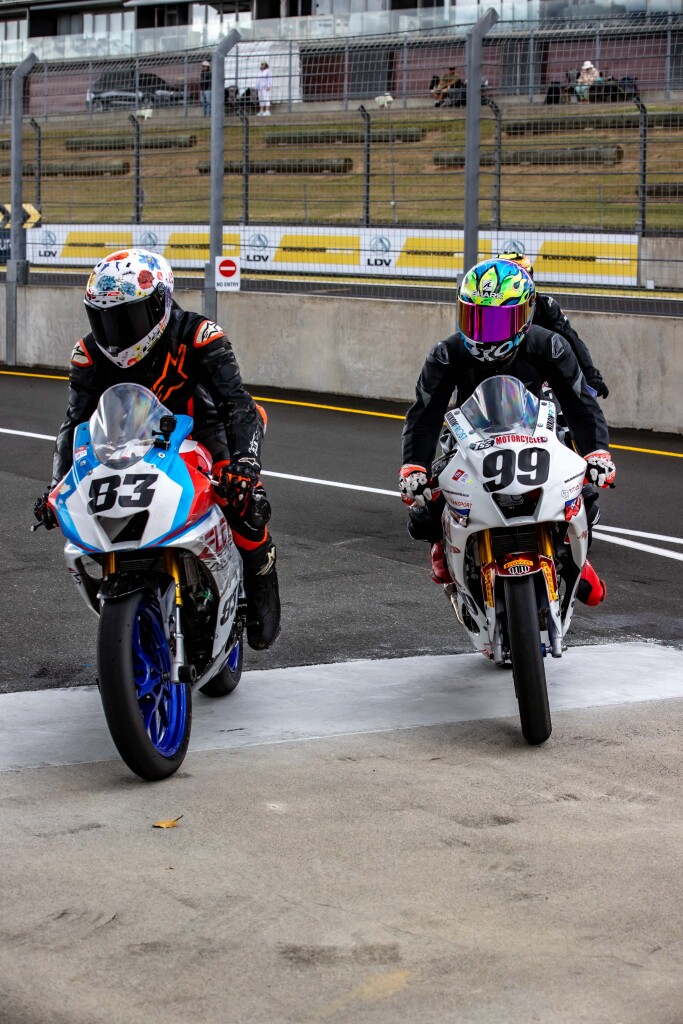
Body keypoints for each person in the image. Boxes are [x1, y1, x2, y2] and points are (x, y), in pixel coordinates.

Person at [33, 248, 281, 651]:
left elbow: (238, 404)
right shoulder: (89, 354)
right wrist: (56, 486)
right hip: (127, 440)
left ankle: (261, 572)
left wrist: (245, 465)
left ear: (160, 304)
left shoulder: (198, 335)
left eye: (126, 318)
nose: (115, 332)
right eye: (103, 319)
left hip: (204, 432)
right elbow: (74, 425)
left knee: (243, 501)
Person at [399, 257, 615, 605]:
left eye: (498, 321)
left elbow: (580, 404)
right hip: (470, 432)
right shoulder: (446, 354)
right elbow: (425, 414)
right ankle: (442, 544)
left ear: (525, 314)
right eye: (475, 317)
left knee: (585, 493)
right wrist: (414, 466)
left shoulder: (549, 345)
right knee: (423, 510)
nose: (485, 331)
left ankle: (574, 557)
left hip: (534, 427)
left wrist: (596, 452)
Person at [497, 243, 609, 398]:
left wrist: (591, 374)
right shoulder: (487, 308)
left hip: (536, 377)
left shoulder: (546, 306)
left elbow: (571, 339)